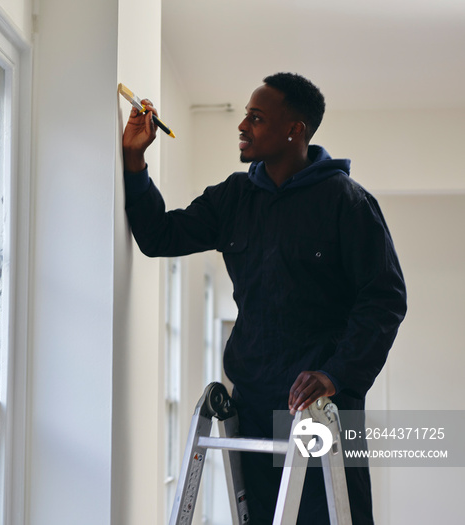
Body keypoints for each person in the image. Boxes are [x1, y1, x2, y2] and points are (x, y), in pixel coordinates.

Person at [122, 73, 407, 524]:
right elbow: (160, 235)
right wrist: (134, 159)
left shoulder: (347, 203)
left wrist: (335, 374)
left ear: (295, 129)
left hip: (323, 407)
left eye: (256, 118)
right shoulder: (234, 197)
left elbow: (385, 300)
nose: (242, 126)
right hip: (253, 403)